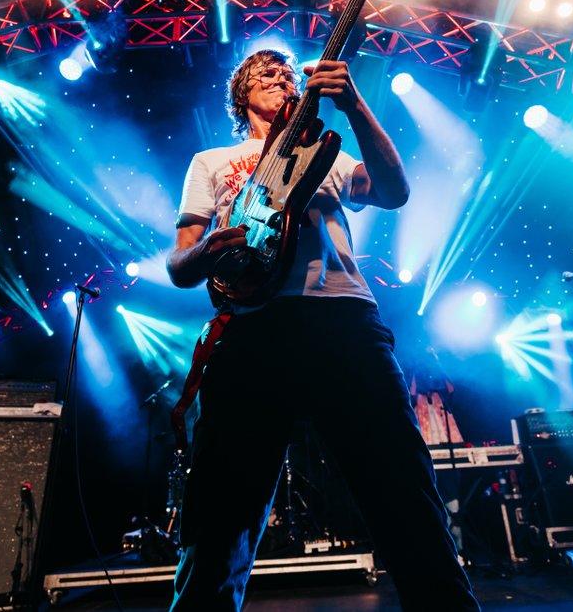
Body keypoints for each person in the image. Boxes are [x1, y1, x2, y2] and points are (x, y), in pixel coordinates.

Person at [166, 50, 478, 610]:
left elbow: (394, 192)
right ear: (240, 95)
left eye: (284, 72)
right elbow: (178, 266)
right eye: (261, 73)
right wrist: (212, 250)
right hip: (251, 331)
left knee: (402, 490)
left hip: (342, 321)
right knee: (220, 514)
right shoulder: (212, 161)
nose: (277, 77)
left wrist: (354, 103)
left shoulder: (325, 154)